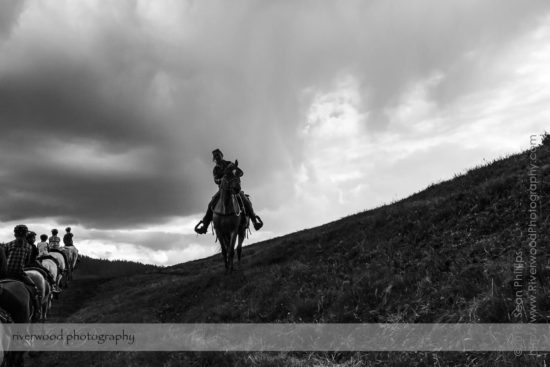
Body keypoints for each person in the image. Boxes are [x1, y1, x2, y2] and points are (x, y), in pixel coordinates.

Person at [195, 149, 263, 234]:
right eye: (215, 156)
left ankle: (254, 222)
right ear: (214, 159)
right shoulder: (215, 169)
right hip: (222, 190)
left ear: (221, 155)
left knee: (245, 200)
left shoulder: (229, 164)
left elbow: (238, 173)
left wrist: (234, 170)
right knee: (211, 203)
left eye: (218, 155)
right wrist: (222, 180)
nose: (217, 157)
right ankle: (204, 226)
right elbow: (216, 180)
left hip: (233, 187)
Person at [3, 225, 41, 322]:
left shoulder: (8, 245)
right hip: (19, 273)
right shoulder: (29, 247)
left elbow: (4, 259)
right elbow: (27, 262)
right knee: (34, 289)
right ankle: (37, 311)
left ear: (15, 234)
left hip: (5, 273)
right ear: (25, 234)